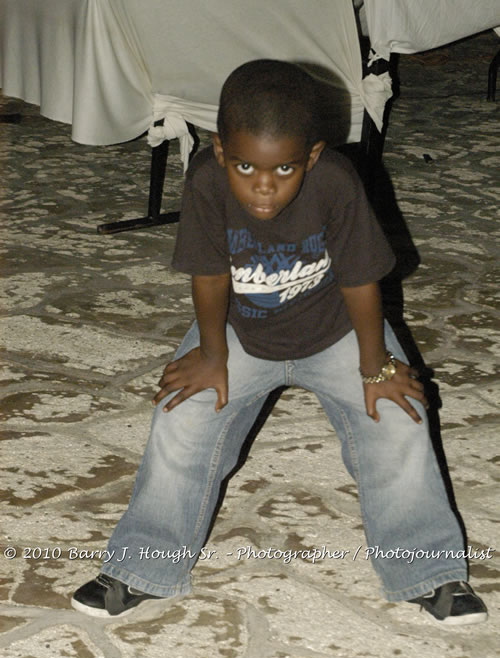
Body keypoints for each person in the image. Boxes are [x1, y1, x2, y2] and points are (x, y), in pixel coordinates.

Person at [72, 60, 487, 626]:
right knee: (181, 416)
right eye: (245, 166)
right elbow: (211, 274)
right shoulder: (206, 181)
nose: (262, 186)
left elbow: (361, 280)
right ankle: (145, 564)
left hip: (337, 327)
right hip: (241, 330)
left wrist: (375, 366)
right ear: (220, 151)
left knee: (400, 420)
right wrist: (213, 354)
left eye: (284, 169)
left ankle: (429, 571)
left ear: (312, 157)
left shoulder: (336, 182)